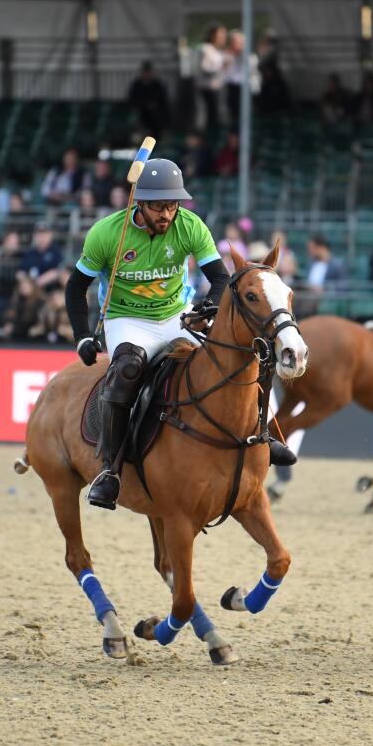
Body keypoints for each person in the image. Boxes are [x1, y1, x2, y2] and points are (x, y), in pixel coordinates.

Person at [64, 158, 292, 510]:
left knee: (239, 357)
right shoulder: (107, 233)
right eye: (158, 206)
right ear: (139, 203)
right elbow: (76, 286)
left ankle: (264, 434)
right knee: (126, 371)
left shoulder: (190, 226)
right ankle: (110, 470)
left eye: (172, 205)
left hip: (176, 314)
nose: (167, 213)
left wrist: (209, 307)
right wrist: (82, 334)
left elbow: (220, 277)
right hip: (127, 320)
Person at [128, 61, 171, 139]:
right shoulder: (137, 85)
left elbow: (163, 103)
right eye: (145, 72)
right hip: (142, 116)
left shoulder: (157, 85)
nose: (147, 75)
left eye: (148, 72)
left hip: (156, 118)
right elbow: (132, 101)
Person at [19, 223, 65, 291]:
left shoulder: (56, 252)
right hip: (31, 290)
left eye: (45, 234)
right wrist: (26, 281)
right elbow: (20, 272)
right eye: (39, 234)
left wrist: (41, 280)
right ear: (34, 236)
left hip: (51, 289)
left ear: (50, 235)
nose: (42, 237)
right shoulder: (30, 253)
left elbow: (59, 270)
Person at [197, 26, 227, 129]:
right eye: (220, 36)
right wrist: (221, 66)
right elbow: (204, 67)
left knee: (217, 117)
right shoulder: (205, 49)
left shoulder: (219, 51)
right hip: (207, 89)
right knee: (210, 117)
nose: (223, 38)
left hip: (218, 89)